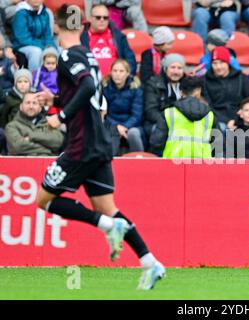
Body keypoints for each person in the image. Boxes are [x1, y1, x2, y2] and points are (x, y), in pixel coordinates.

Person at [35, 4, 165, 290]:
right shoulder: (88, 56)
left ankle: (108, 228)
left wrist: (61, 116)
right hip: (100, 142)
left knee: (43, 200)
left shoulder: (68, 56)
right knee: (108, 207)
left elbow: (87, 89)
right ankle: (150, 262)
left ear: (56, 27)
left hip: (82, 145)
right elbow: (88, 92)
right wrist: (55, 100)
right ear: (82, 26)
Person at [150, 75, 216, 158]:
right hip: (203, 166)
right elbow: (218, 146)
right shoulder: (209, 115)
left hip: (172, 165)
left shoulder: (168, 113)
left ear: (180, 92)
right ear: (198, 92)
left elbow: (156, 142)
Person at [203, 46, 249, 133]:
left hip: (240, 117)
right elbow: (207, 106)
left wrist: (238, 118)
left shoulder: (241, 77)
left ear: (228, 62)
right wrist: (226, 121)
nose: (218, 67)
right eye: (215, 63)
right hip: (217, 119)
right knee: (220, 129)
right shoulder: (205, 80)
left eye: (222, 62)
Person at [81, 4, 137, 77]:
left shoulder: (118, 36)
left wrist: (126, 79)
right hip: (90, 82)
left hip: (115, 83)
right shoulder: (81, 37)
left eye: (105, 18)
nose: (102, 20)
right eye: (98, 17)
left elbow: (130, 60)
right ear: (90, 18)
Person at [143, 53, 185, 151]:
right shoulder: (153, 84)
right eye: (172, 67)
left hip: (182, 123)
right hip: (158, 122)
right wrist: (170, 123)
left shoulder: (187, 84)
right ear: (165, 69)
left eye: (179, 68)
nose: (176, 71)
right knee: (160, 133)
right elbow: (150, 111)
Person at [103, 59, 145, 156]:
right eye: (115, 71)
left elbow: (137, 115)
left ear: (127, 73)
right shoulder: (104, 88)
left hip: (132, 125)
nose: (118, 74)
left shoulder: (136, 90)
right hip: (111, 124)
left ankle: (139, 160)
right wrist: (116, 127)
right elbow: (103, 114)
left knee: (133, 133)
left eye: (121, 71)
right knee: (108, 132)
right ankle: (110, 163)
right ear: (111, 72)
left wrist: (125, 126)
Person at [11, 0, 56, 72]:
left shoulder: (45, 13)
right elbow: (23, 38)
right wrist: (43, 46)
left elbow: (48, 35)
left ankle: (55, 80)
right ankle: (34, 78)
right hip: (22, 46)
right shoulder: (20, 13)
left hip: (41, 44)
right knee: (36, 52)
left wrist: (50, 45)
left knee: (58, 50)